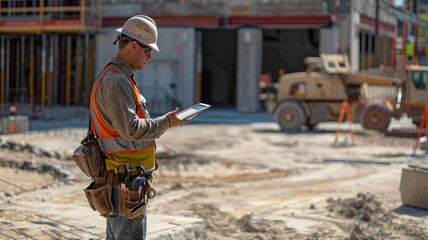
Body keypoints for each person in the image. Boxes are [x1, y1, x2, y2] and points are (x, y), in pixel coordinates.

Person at [89, 15, 187, 239]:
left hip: (124, 181)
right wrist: (167, 122)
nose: (150, 57)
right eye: (148, 51)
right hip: (123, 183)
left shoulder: (120, 77)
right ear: (133, 45)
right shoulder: (116, 80)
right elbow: (130, 129)